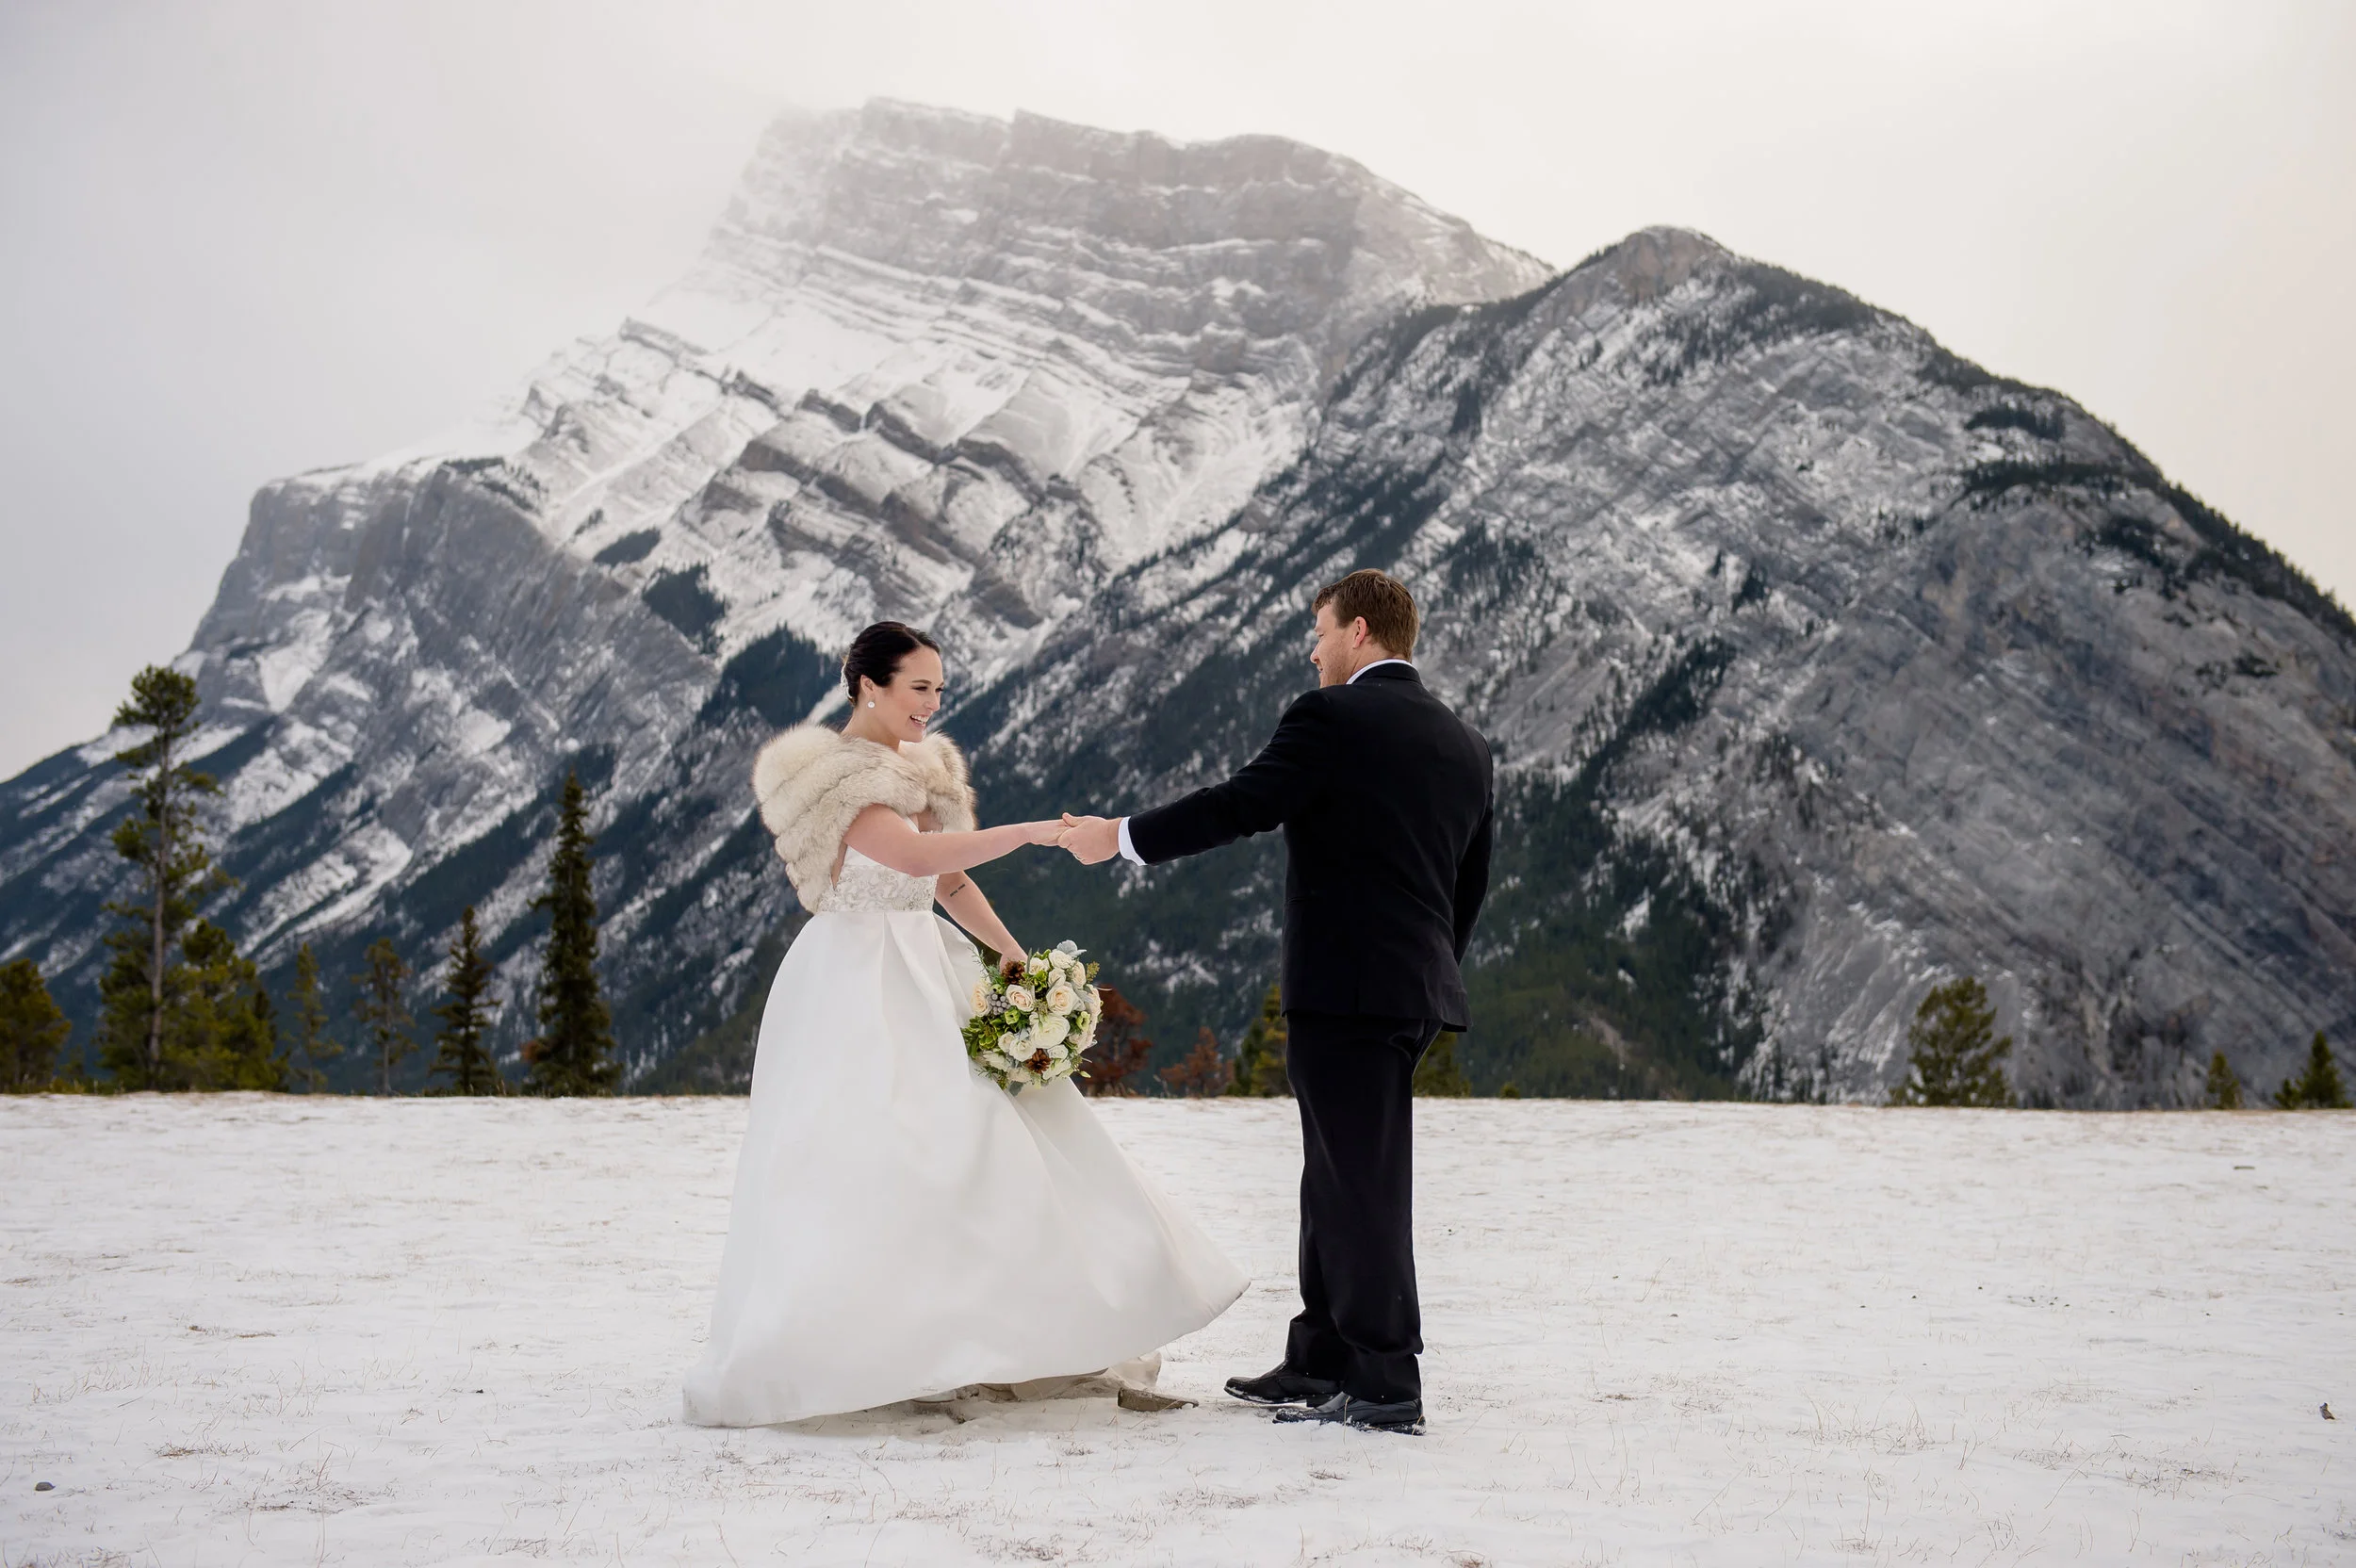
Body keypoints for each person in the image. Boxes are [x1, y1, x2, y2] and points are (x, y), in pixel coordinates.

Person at [680, 621, 1246, 1427]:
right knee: (881, 1154)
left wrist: (1013, 957)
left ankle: (1009, 1331)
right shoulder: (839, 777)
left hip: (927, 965)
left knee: (990, 1139)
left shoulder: (923, 769)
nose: (932, 704)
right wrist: (1028, 832)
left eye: (939, 689)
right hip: (855, 979)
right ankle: (872, 1346)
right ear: (869, 685)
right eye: (919, 688)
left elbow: (945, 884)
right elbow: (909, 859)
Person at [1059, 570, 1494, 1435]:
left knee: (1361, 1185)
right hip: (1409, 988)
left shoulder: (1329, 716)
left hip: (1344, 986)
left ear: (1360, 632)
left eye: (1320, 630)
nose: (1313, 648)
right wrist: (1427, 969)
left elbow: (1243, 804)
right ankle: (1320, 1356)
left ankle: (1382, 1380)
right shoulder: (1464, 741)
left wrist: (1121, 838)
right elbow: (1468, 881)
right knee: (1336, 1175)